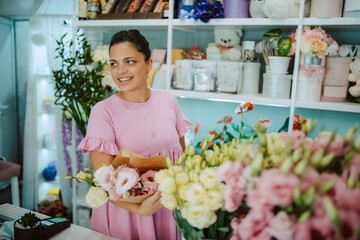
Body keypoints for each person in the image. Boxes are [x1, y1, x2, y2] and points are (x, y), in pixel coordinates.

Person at [77, 29, 192, 240]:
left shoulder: (169, 101)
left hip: (166, 210)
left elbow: (182, 159)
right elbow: (103, 180)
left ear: (148, 64)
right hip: (126, 215)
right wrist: (140, 210)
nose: (120, 71)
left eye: (129, 61)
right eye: (114, 63)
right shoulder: (103, 111)